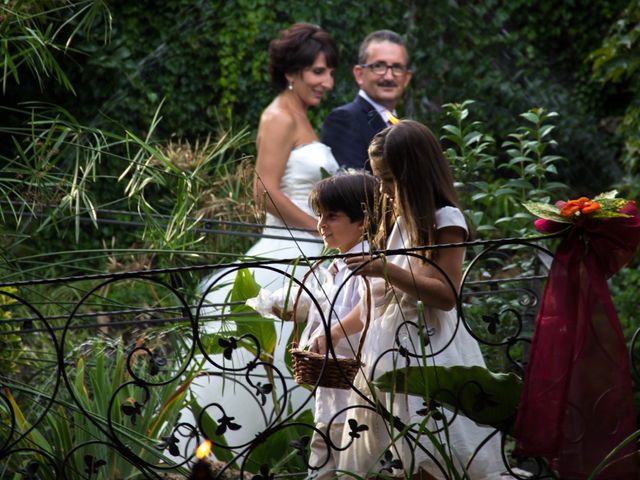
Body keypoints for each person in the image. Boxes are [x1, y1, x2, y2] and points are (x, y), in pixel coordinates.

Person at [311, 120, 505, 479]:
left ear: (414, 174)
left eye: (388, 180)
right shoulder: (399, 221)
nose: (382, 190)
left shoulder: (445, 219)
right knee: (393, 454)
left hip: (428, 351)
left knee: (429, 448)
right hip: (385, 352)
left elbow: (446, 294)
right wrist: (336, 332)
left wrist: (387, 269)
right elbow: (379, 299)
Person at [182, 23, 341, 459]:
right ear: (292, 71)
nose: (328, 83)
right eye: (319, 72)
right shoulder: (278, 116)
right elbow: (264, 190)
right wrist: (316, 226)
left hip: (312, 252)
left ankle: (296, 455)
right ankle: (232, 454)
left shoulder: (303, 115)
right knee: (258, 363)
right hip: (284, 251)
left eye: (329, 73)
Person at [298, 173, 378, 480]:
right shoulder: (337, 265)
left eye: (332, 216)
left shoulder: (368, 262)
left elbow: (370, 306)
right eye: (319, 215)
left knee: (353, 464)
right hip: (332, 386)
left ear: (362, 220)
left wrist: (332, 334)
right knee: (323, 456)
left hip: (357, 385)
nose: (322, 225)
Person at [320, 30, 412, 171]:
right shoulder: (343, 120)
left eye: (397, 67)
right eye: (379, 66)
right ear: (359, 74)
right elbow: (352, 189)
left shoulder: (404, 127)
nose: (388, 77)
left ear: (406, 78)